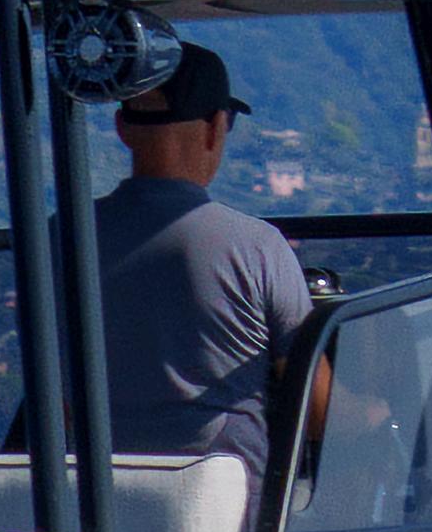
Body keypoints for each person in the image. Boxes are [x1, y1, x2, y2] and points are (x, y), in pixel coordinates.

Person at [93, 37, 306, 481]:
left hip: (96, 492)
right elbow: (317, 409)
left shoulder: (59, 239)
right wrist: (378, 413)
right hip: (221, 500)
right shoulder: (257, 247)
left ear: (122, 128)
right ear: (216, 127)